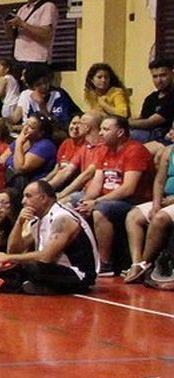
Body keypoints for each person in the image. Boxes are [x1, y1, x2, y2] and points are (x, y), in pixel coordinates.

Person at [0, 180, 97, 294]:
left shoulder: (62, 218)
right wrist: (19, 223)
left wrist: (8, 258)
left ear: (43, 198)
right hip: (54, 270)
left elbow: (46, 257)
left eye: (28, 196)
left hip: (78, 275)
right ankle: (22, 284)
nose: (23, 201)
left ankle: (17, 284)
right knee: (12, 265)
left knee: (30, 267)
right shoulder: (38, 219)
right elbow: (13, 250)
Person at [75, 114, 152, 270]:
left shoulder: (135, 150)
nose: (101, 133)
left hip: (132, 200)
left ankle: (105, 264)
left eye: (106, 129)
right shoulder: (103, 150)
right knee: (72, 202)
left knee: (100, 211)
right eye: (101, 129)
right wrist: (85, 202)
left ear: (120, 133)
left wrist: (96, 202)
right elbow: (96, 184)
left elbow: (128, 188)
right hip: (108, 197)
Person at [7, 0, 55, 78]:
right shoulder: (22, 9)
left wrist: (22, 24)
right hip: (18, 60)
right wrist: (8, 25)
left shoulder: (47, 7)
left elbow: (46, 33)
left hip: (36, 61)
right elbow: (11, 37)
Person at [130, 58, 174, 146]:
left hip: (163, 137)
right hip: (146, 134)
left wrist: (122, 122)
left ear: (172, 73)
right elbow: (141, 118)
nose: (159, 80)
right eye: (155, 76)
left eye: (163, 75)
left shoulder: (172, 97)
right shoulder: (151, 98)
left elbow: (149, 123)